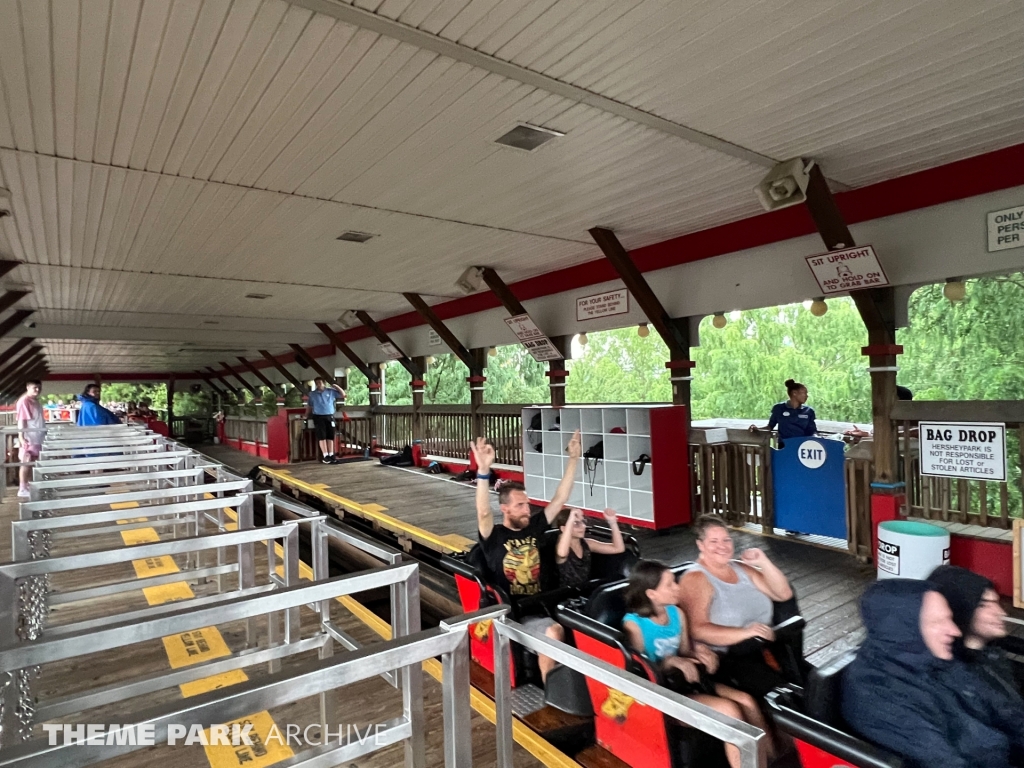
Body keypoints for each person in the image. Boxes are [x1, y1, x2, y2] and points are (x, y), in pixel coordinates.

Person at [842, 579, 1015, 768]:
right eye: (937, 622)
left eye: (949, 618)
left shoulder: (933, 659)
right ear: (904, 629)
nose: (955, 631)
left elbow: (1002, 709)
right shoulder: (880, 698)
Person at [622, 560, 772, 768]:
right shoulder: (634, 625)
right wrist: (668, 662)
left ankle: (772, 761)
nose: (677, 587)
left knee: (747, 701)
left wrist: (701, 653)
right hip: (661, 695)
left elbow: (684, 652)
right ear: (651, 594)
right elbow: (638, 673)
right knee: (730, 711)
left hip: (687, 683)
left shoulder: (677, 613)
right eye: (670, 585)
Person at [471, 430, 581, 682]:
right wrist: (484, 470)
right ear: (505, 508)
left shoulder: (535, 526)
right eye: (520, 505)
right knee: (553, 632)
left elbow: (560, 498)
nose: (527, 510)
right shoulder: (493, 536)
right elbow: (483, 512)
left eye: (528, 504)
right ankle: (552, 694)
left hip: (542, 602)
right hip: (516, 612)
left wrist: (574, 458)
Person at [678, 515, 794, 697]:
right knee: (788, 700)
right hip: (730, 658)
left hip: (768, 648)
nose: (722, 546)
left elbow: (783, 594)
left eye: (726, 540)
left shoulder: (741, 568)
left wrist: (763, 561)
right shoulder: (696, 578)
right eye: (714, 541)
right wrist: (747, 632)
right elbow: (697, 629)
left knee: (815, 685)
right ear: (700, 545)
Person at [928, 566, 1024, 764]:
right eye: (984, 605)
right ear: (962, 609)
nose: (999, 612)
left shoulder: (990, 653)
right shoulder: (958, 679)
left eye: (996, 602)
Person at [552, 507, 625, 589]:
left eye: (583, 522)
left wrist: (612, 522)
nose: (583, 526)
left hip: (584, 590)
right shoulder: (559, 546)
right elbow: (562, 553)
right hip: (565, 595)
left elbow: (618, 548)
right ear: (564, 528)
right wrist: (570, 520)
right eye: (576, 524)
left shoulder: (587, 543)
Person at [749, 379, 816, 446]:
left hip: (802, 446)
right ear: (794, 393)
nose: (806, 396)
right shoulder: (779, 409)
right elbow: (769, 427)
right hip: (784, 446)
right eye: (804, 393)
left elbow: (812, 432)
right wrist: (757, 429)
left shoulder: (809, 411)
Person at [306, 377, 346, 464]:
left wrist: (336, 386)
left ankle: (331, 454)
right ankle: (325, 455)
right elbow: (309, 406)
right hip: (318, 416)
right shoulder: (312, 394)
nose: (318, 384)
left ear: (324, 383)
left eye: (320, 382)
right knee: (322, 437)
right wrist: (306, 416)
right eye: (316, 383)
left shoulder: (331, 391)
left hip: (329, 416)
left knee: (330, 436)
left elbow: (343, 395)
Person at [15, 380, 44, 498]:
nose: (37, 390)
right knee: (26, 461)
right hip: (29, 436)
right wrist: (21, 436)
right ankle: (22, 488)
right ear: (28, 387)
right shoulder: (24, 401)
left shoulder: (35, 401)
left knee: (32, 462)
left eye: (39, 388)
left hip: (37, 435)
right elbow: (21, 420)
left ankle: (29, 485)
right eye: (34, 387)